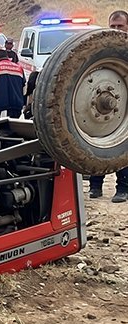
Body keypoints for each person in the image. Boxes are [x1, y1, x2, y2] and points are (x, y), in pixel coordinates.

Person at [89, 10, 128, 202]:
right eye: (113, 26)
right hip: (103, 107)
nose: (116, 30)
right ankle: (95, 186)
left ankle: (123, 188)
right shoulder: (100, 50)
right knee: (98, 147)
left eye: (120, 26)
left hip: (125, 108)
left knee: (124, 149)